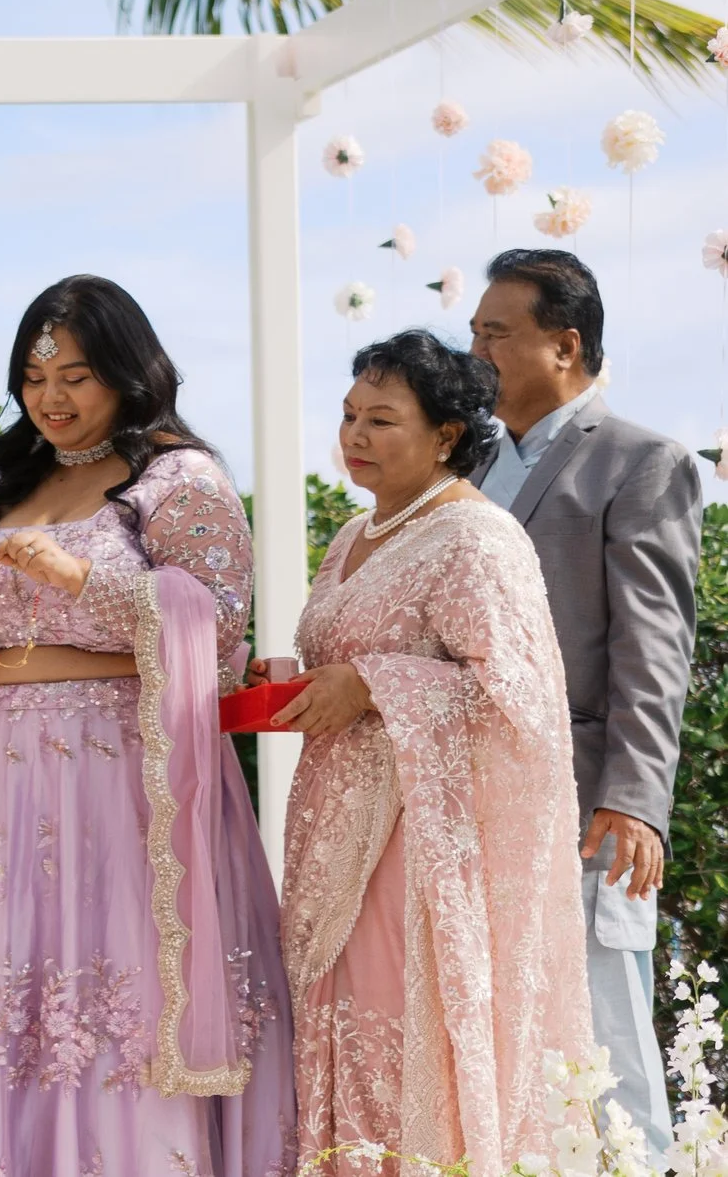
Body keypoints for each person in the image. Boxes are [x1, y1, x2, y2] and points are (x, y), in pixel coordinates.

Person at [0, 274, 293, 1177]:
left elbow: (216, 631)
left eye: (77, 375)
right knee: (6, 1008)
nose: (51, 397)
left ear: (129, 373)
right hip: (5, 779)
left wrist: (80, 580)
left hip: (126, 776)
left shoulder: (180, 477)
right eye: (34, 375)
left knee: (116, 996)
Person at [275, 328, 592, 1173]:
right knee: (329, 1034)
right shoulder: (351, 535)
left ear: (446, 433)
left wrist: (376, 685)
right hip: (328, 832)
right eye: (348, 417)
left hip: (413, 852)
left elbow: (521, 703)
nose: (355, 437)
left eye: (382, 420)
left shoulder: (475, 540)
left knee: (392, 1036)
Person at [469, 249, 701, 1150]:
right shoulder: (468, 462)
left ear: (565, 345)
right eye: (476, 330)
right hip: (470, 799)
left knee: (606, 1045)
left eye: (497, 332)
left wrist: (633, 800)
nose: (476, 349)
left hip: (586, 805)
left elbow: (655, 648)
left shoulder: (643, 462)